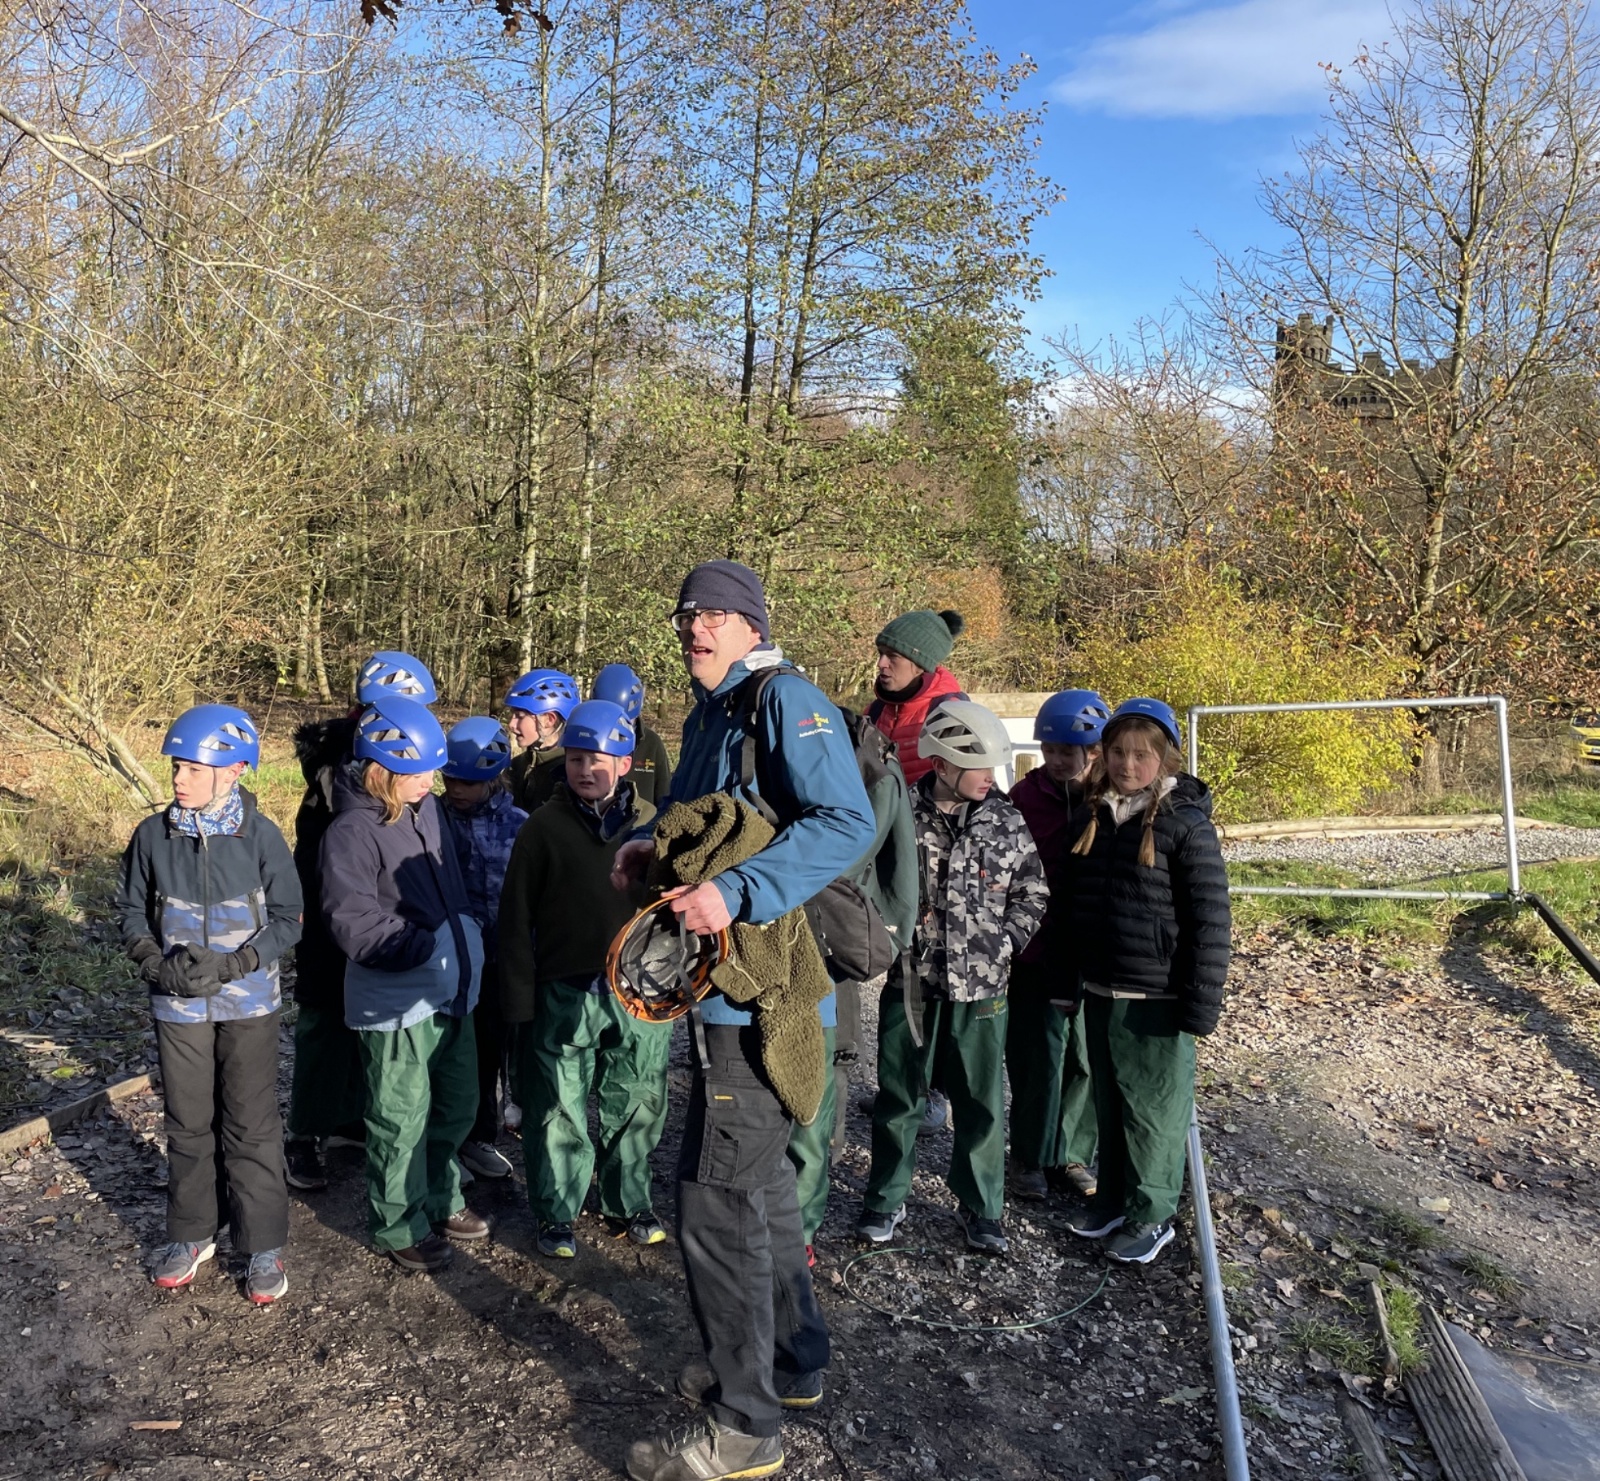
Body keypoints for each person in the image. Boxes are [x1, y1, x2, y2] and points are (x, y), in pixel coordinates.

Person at [612, 559, 876, 1481]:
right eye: (687, 613)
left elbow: (845, 821)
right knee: (758, 1185)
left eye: (716, 613)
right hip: (722, 989)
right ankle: (792, 1361)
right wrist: (647, 847)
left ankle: (744, 1426)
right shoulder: (710, 714)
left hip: (767, 995)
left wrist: (736, 891)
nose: (696, 626)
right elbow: (705, 825)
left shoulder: (783, 699)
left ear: (751, 625)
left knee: (714, 1198)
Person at [116, 705, 302, 1304]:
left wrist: (236, 964)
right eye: (177, 766)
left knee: (250, 1122)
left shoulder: (261, 836)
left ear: (234, 771)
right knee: (188, 1122)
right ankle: (191, 1233)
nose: (179, 779)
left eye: (193, 768)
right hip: (177, 1008)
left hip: (248, 1004)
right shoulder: (152, 836)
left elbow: (289, 919)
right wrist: (154, 963)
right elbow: (130, 913)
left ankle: (262, 1243)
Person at [856, 701, 1048, 1257]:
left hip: (983, 990)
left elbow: (1033, 890)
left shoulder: (1005, 819)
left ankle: (982, 1206)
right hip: (911, 983)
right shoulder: (901, 815)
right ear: (941, 764)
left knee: (981, 1102)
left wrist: (1004, 943)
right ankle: (886, 1198)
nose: (990, 776)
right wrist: (889, 938)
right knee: (899, 1095)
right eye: (978, 765)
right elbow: (869, 881)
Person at [320, 695, 488, 1274]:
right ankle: (399, 1225)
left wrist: (466, 940)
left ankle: (441, 1197)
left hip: (449, 989)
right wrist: (424, 950)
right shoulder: (350, 831)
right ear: (381, 770)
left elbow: (452, 884)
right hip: (397, 1002)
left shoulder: (427, 808)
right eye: (418, 772)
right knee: (398, 1119)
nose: (432, 781)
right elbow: (352, 919)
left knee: (457, 1104)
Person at [1061, 698, 1231, 1266]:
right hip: (1101, 988)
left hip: (1157, 995)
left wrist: (1201, 1002)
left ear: (1165, 759)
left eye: (1141, 755)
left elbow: (1210, 919)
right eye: (1117, 753)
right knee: (1109, 1104)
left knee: (1154, 1112)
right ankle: (1113, 1199)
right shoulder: (1093, 815)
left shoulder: (1186, 823)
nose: (1127, 765)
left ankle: (1152, 1215)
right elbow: (1073, 906)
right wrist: (1069, 977)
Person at [499, 699, 667, 1258]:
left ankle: (629, 1202)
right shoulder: (542, 829)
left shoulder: (654, 825)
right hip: (564, 988)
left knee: (637, 1096)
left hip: (640, 991)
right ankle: (556, 1212)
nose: (584, 770)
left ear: (624, 763)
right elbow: (515, 917)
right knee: (557, 1105)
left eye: (597, 760)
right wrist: (519, 998)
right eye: (574, 759)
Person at [284, 650, 438, 1192]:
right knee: (324, 1019)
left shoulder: (400, 765)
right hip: (334, 910)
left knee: (370, 1021)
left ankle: (351, 1120)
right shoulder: (339, 771)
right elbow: (317, 850)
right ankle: (305, 1133)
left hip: (390, 908)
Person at [1006, 690, 1110, 1203]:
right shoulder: (1024, 799)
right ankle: (1029, 1154)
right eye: (1050, 750)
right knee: (1035, 1056)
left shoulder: (1108, 802)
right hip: (1036, 949)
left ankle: (1072, 1152)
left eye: (1070, 751)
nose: (1059, 760)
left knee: (1083, 1057)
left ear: (1094, 751)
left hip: (1090, 948)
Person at [439, 716, 526, 1183]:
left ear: (494, 778)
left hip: (498, 962)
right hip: (447, 961)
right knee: (448, 1053)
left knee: (490, 1051)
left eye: (468, 782)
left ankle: (477, 1137)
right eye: (450, 779)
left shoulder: (521, 827)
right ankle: (442, 1143)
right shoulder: (431, 822)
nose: (456, 790)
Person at [868, 609, 967, 788]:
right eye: (880, 653)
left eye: (892, 656)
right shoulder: (874, 712)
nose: (881, 663)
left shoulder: (951, 714)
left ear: (920, 664)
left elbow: (969, 787)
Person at [591, 663, 675, 806]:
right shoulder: (585, 739)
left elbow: (664, 794)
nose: (617, 729)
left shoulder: (651, 743)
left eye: (624, 721)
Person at [506, 668, 580, 812]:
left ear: (549, 720)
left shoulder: (571, 776)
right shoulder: (515, 767)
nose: (511, 724)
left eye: (519, 716)